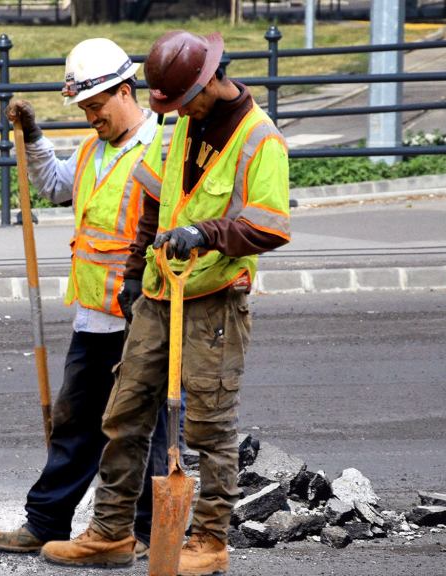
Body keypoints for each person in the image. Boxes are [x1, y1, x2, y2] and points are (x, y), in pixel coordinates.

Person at [39, 30, 291, 575]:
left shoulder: (258, 138)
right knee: (124, 412)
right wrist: (134, 275)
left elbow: (269, 226)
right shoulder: (182, 128)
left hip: (215, 300)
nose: (177, 112)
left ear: (209, 84)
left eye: (181, 102)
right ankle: (110, 533)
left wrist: (204, 233)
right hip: (158, 293)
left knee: (209, 427)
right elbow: (154, 200)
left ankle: (209, 540)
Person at [0, 37, 168, 562]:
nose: (91, 118)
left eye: (96, 107)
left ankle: (151, 532)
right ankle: (47, 522)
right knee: (77, 424)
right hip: (94, 318)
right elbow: (53, 183)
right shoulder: (93, 151)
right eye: (85, 109)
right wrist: (35, 137)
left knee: (142, 432)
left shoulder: (160, 150)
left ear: (125, 91)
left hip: (143, 319)